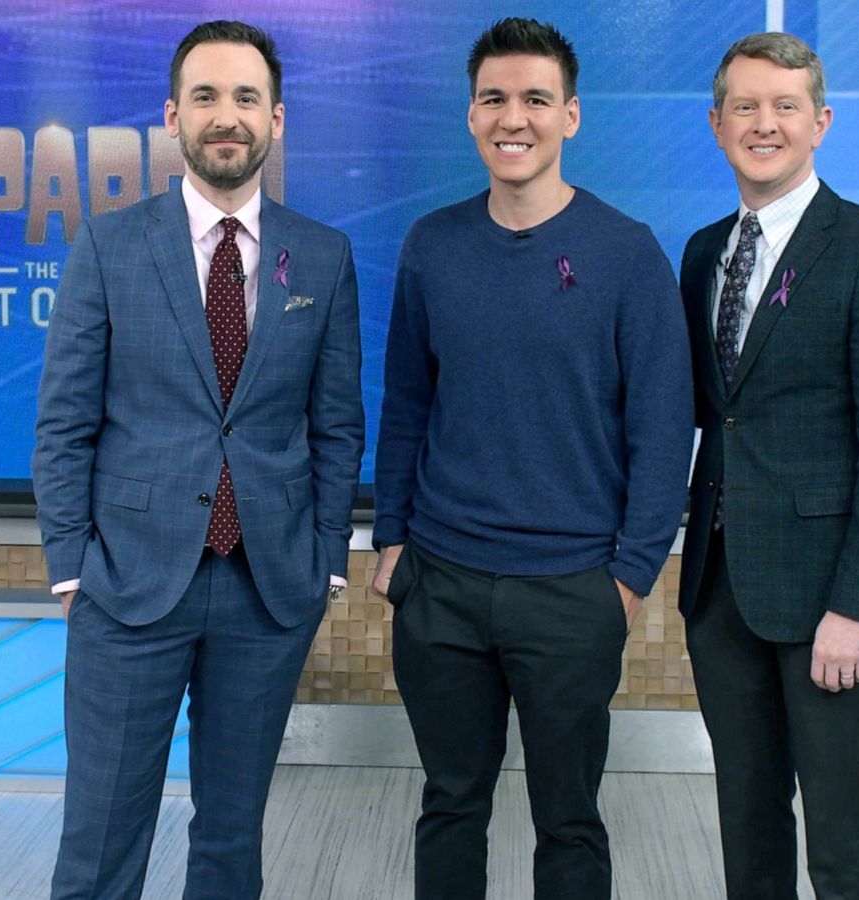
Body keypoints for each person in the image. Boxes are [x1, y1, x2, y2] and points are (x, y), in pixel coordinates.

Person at [33, 20, 363, 900]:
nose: (228, 117)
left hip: (268, 588)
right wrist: (71, 567)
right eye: (207, 97)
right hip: (127, 584)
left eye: (247, 98)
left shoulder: (322, 257)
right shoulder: (108, 245)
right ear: (172, 115)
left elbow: (336, 426)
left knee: (231, 837)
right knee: (101, 835)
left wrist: (327, 562)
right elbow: (63, 422)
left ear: (277, 119)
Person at [370, 17, 693, 900]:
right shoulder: (432, 246)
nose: (515, 118)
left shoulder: (627, 255)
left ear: (572, 117)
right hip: (440, 585)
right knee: (449, 802)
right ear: (471, 116)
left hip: (573, 590)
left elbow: (664, 431)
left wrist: (625, 581)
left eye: (535, 100)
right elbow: (406, 401)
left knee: (570, 820)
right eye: (494, 99)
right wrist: (391, 542)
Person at [676, 31, 859, 900]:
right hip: (723, 591)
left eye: (785, 106)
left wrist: (855, 608)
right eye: (745, 106)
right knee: (746, 820)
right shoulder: (704, 251)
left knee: (840, 829)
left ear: (820, 122)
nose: (764, 124)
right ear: (716, 124)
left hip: (833, 603)